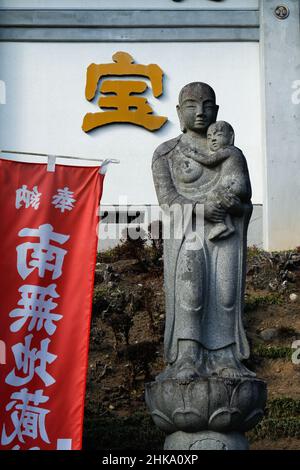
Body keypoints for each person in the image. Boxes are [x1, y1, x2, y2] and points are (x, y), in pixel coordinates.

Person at [152, 82, 254, 380]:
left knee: (225, 292)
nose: (200, 112)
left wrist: (232, 207)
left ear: (217, 111)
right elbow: (168, 203)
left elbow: (244, 199)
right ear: (179, 112)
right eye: (191, 105)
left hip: (225, 235)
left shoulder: (231, 152)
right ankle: (188, 355)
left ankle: (225, 356)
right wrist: (202, 210)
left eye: (207, 105)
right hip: (189, 234)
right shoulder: (166, 153)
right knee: (190, 291)